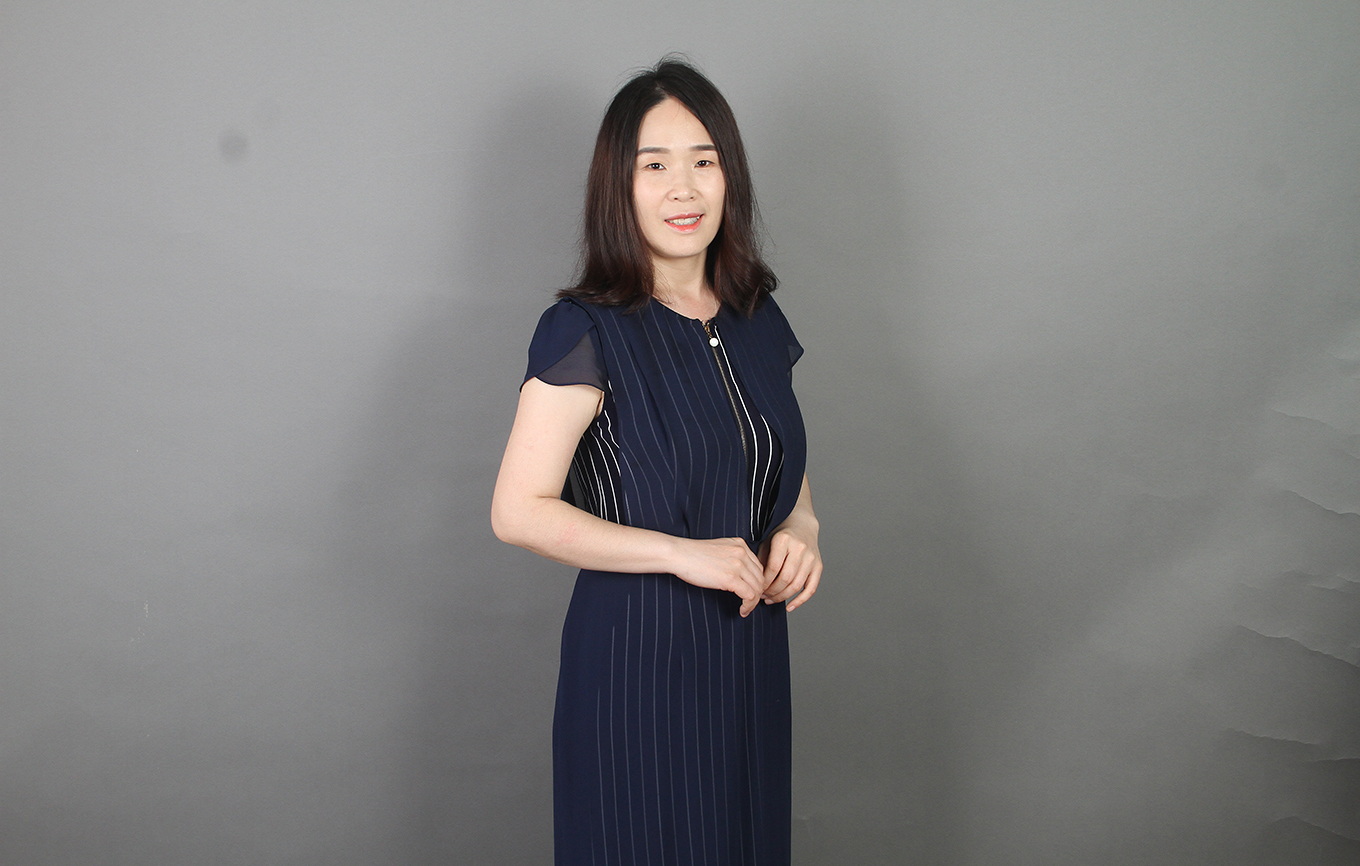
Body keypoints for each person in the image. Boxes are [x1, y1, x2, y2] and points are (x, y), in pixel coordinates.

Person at [491, 57, 821, 865]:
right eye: (655, 166)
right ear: (620, 186)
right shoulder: (585, 329)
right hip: (637, 665)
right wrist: (679, 553)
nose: (684, 189)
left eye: (703, 162)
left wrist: (802, 527)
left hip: (747, 662)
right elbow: (517, 510)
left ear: (729, 176)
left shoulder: (756, 317)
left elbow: (773, 455)